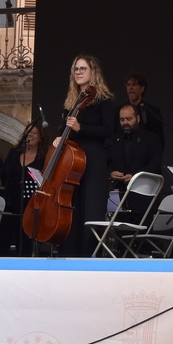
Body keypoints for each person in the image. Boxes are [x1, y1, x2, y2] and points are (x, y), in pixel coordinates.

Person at [57, 55, 117, 257]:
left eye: (83, 68)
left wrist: (81, 127)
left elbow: (108, 130)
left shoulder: (103, 100)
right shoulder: (72, 102)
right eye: (76, 69)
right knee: (72, 208)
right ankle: (69, 256)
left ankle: (90, 258)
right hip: (72, 161)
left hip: (93, 160)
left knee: (91, 210)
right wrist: (59, 137)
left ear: (93, 72)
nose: (78, 72)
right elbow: (64, 127)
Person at [0, 118, 52, 255]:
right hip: (9, 203)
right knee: (3, 240)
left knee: (25, 243)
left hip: (30, 205)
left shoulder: (44, 157)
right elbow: (2, 177)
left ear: (40, 137)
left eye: (34, 132)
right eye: (27, 132)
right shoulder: (14, 153)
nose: (30, 135)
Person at [108, 103, 164, 224]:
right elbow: (106, 163)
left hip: (144, 201)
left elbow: (155, 165)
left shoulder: (151, 139)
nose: (125, 123)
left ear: (138, 118)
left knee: (143, 235)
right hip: (119, 202)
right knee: (118, 234)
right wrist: (111, 173)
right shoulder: (113, 140)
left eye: (129, 119)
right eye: (122, 120)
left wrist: (135, 176)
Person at [124, 72, 165, 150]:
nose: (130, 87)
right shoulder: (120, 111)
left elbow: (159, 140)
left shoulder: (152, 111)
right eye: (128, 85)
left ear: (142, 88)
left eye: (134, 84)